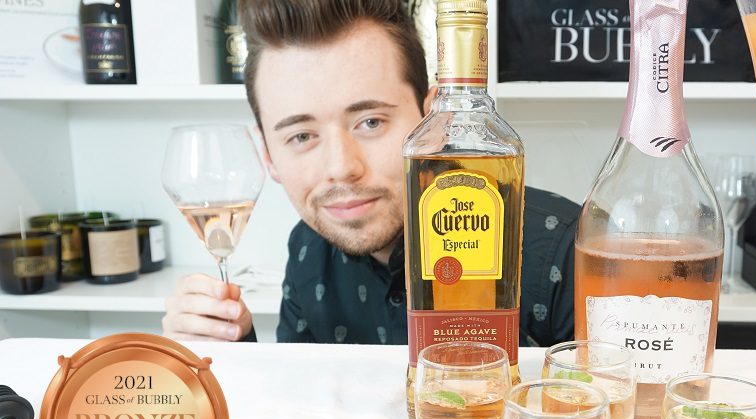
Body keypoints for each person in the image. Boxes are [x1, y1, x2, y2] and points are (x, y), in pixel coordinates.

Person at [162, 0, 580, 347]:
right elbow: (304, 409)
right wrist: (232, 348)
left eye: (371, 122)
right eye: (302, 136)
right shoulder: (307, 249)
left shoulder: (567, 250)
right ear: (268, 155)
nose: (342, 168)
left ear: (436, 119)